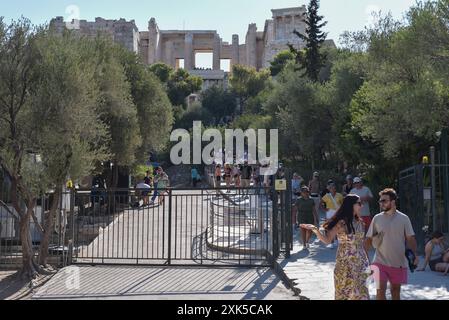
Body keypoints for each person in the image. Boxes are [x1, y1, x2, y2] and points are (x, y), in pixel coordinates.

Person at [302, 195, 370, 300]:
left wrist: (368, 263)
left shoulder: (360, 223)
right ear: (351, 205)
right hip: (345, 265)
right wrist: (315, 230)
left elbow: (362, 244)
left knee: (361, 295)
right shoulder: (341, 223)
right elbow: (327, 240)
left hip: (361, 264)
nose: (361, 206)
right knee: (344, 294)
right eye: (359, 203)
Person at [365, 188, 419, 300]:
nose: (381, 203)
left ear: (393, 201)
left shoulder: (404, 218)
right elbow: (369, 239)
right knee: (380, 291)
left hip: (398, 262)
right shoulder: (377, 218)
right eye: (380, 201)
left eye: (384, 201)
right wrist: (364, 259)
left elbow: (410, 238)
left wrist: (415, 255)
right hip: (379, 261)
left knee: (395, 291)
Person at [321, 183, 344, 249]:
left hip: (337, 212)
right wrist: (324, 209)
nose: (333, 189)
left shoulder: (339, 195)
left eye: (334, 188)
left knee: (337, 226)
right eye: (331, 188)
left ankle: (336, 240)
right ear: (329, 189)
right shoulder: (327, 196)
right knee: (330, 227)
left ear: (335, 189)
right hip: (329, 212)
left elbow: (343, 204)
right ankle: (331, 242)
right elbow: (321, 202)